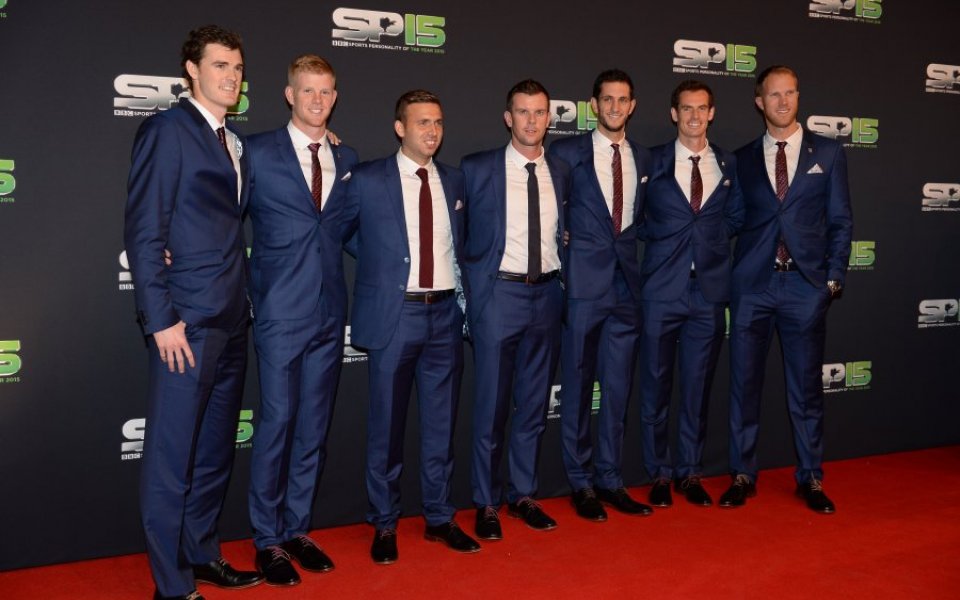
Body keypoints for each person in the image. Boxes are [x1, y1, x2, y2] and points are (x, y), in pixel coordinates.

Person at [123, 25, 263, 600]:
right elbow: (144, 231)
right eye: (220, 65)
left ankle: (202, 554)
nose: (231, 76)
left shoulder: (235, 141)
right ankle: (172, 585)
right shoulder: (168, 131)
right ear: (192, 70)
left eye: (237, 67)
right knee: (171, 458)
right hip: (186, 325)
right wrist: (161, 320)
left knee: (212, 454)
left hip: (231, 320)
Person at [342, 89, 480, 564]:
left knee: (440, 425)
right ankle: (384, 522)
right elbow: (342, 233)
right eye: (422, 122)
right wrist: (384, 270)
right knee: (386, 426)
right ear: (400, 128)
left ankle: (439, 516)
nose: (432, 131)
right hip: (395, 315)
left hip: (445, 315)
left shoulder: (456, 180)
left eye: (438, 122)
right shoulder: (367, 179)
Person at [244, 54, 359, 585]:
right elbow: (221, 214)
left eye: (325, 91)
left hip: (329, 313)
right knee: (276, 424)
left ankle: (296, 528)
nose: (317, 100)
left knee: (314, 427)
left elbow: (348, 230)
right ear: (290, 94)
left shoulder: (346, 156)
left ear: (335, 97)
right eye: (307, 90)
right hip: (278, 311)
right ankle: (266, 539)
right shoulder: (255, 152)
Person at [721, 65, 852, 513]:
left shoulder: (828, 153)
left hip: (804, 286)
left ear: (798, 96)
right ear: (759, 101)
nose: (782, 102)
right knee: (743, 386)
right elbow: (731, 220)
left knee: (806, 390)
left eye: (789, 93)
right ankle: (742, 474)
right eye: (773, 95)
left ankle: (810, 477)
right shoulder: (741, 159)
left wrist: (832, 279)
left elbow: (841, 221)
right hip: (752, 288)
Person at [462, 79, 570, 540]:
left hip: (547, 297)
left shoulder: (562, 170)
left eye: (540, 112)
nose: (531, 120)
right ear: (508, 117)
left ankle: (523, 494)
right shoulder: (477, 168)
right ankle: (486, 501)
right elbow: (456, 233)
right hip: (499, 297)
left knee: (532, 405)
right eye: (523, 111)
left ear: (550, 118)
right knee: (491, 406)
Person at [547, 69, 653, 521]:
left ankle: (610, 478)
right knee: (576, 386)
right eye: (607, 99)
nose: (614, 107)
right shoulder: (565, 152)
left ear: (632, 106)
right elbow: (544, 206)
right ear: (593, 105)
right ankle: (580, 482)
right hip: (582, 289)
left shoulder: (645, 157)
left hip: (626, 288)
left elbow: (643, 220)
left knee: (617, 388)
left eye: (622, 100)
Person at [637, 80, 744, 508]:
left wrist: (708, 244)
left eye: (702, 108)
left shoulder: (728, 163)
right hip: (661, 291)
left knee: (697, 389)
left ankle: (690, 471)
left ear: (712, 113)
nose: (694, 116)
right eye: (686, 108)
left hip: (708, 293)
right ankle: (659, 473)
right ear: (673, 113)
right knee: (655, 386)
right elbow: (636, 219)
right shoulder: (652, 161)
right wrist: (669, 242)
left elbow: (736, 217)